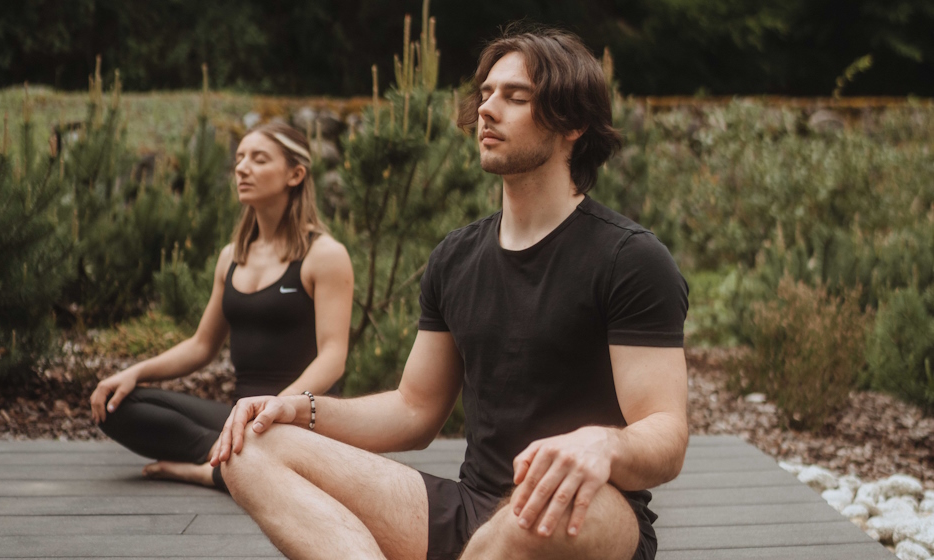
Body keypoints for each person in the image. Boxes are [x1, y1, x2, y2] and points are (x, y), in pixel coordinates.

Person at [212, 27, 689, 560]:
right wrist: (296, 408)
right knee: (248, 447)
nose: (487, 109)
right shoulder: (456, 257)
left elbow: (666, 434)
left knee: (531, 515)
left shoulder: (630, 259)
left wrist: (607, 443)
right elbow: (414, 410)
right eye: (485, 93)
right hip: (470, 509)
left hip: (585, 516)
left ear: (573, 123)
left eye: (515, 96)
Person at [89, 122, 353, 491]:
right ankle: (229, 458)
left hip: (303, 416)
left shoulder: (325, 255)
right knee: (115, 404)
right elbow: (202, 346)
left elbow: (333, 356)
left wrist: (278, 408)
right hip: (241, 416)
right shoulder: (232, 257)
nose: (242, 168)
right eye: (240, 158)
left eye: (258, 159)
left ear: (296, 174)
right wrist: (135, 372)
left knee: (271, 437)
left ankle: (215, 469)